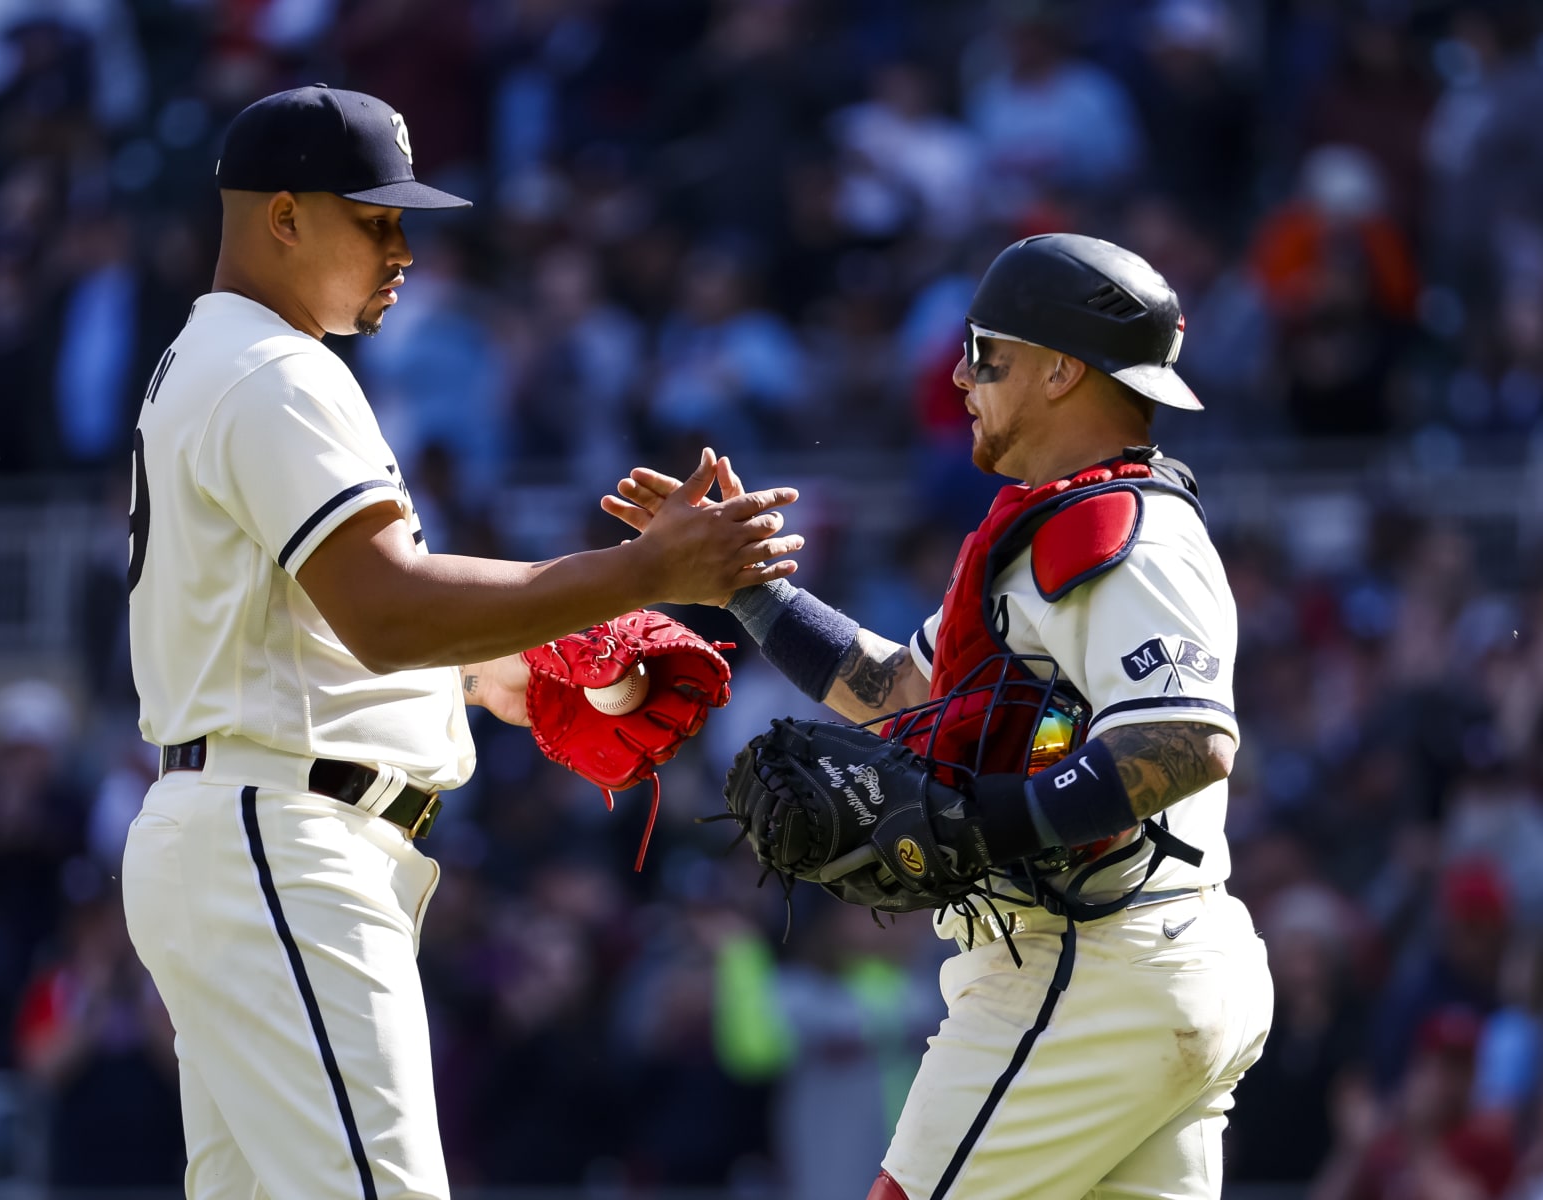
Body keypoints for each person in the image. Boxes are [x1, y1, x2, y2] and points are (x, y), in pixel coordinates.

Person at [119, 85, 803, 1200]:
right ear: (282, 218)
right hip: (283, 839)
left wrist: (512, 669)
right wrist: (643, 572)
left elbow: (328, 629)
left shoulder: (224, 359)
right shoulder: (277, 374)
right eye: (375, 220)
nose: (403, 251)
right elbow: (386, 611)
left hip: (251, 826)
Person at [608, 233, 1273, 1199]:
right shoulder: (1055, 526)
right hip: (1136, 966)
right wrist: (746, 593)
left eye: (984, 354)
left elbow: (1184, 740)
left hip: (1089, 966)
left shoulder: (1124, 531)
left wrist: (984, 821)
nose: (960, 377)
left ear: (1057, 371)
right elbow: (901, 695)